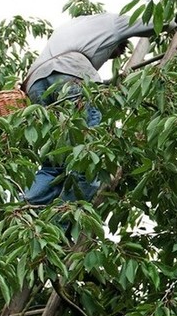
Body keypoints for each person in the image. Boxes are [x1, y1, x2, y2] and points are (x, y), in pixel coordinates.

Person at [21, 12, 156, 205]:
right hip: (69, 74)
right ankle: (62, 223)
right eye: (114, 54)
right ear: (117, 42)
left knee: (54, 164)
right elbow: (151, 18)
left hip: (35, 83)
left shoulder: (74, 28)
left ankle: (21, 211)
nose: (111, 57)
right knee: (89, 156)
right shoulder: (113, 23)